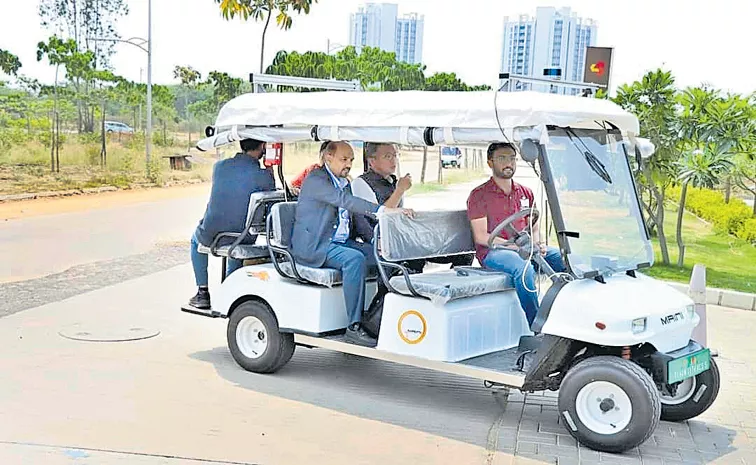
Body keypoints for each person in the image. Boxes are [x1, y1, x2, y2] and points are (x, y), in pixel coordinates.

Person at [290, 140, 414, 347]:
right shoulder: (316, 180)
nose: (348, 164)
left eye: (351, 160)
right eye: (343, 159)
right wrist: (383, 210)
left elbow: (353, 218)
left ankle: (375, 317)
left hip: (339, 243)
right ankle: (354, 326)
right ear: (328, 158)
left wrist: (374, 241)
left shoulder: (344, 182)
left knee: (386, 256)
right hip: (316, 245)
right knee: (354, 259)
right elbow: (345, 202)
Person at [466, 142, 566, 327]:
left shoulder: (525, 193)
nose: (508, 163)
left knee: (565, 260)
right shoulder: (479, 195)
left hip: (525, 249)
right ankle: (537, 326)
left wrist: (538, 244)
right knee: (523, 269)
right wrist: (514, 246)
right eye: (502, 158)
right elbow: (481, 236)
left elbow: (534, 226)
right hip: (493, 252)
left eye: (512, 158)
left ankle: (567, 317)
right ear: (490, 163)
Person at [188, 139, 276, 309]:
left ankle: (202, 292)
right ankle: (228, 293)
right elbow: (271, 207)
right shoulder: (264, 175)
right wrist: (270, 173)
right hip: (243, 236)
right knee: (236, 248)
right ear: (264, 146)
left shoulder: (219, 167)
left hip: (211, 234)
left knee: (195, 240)